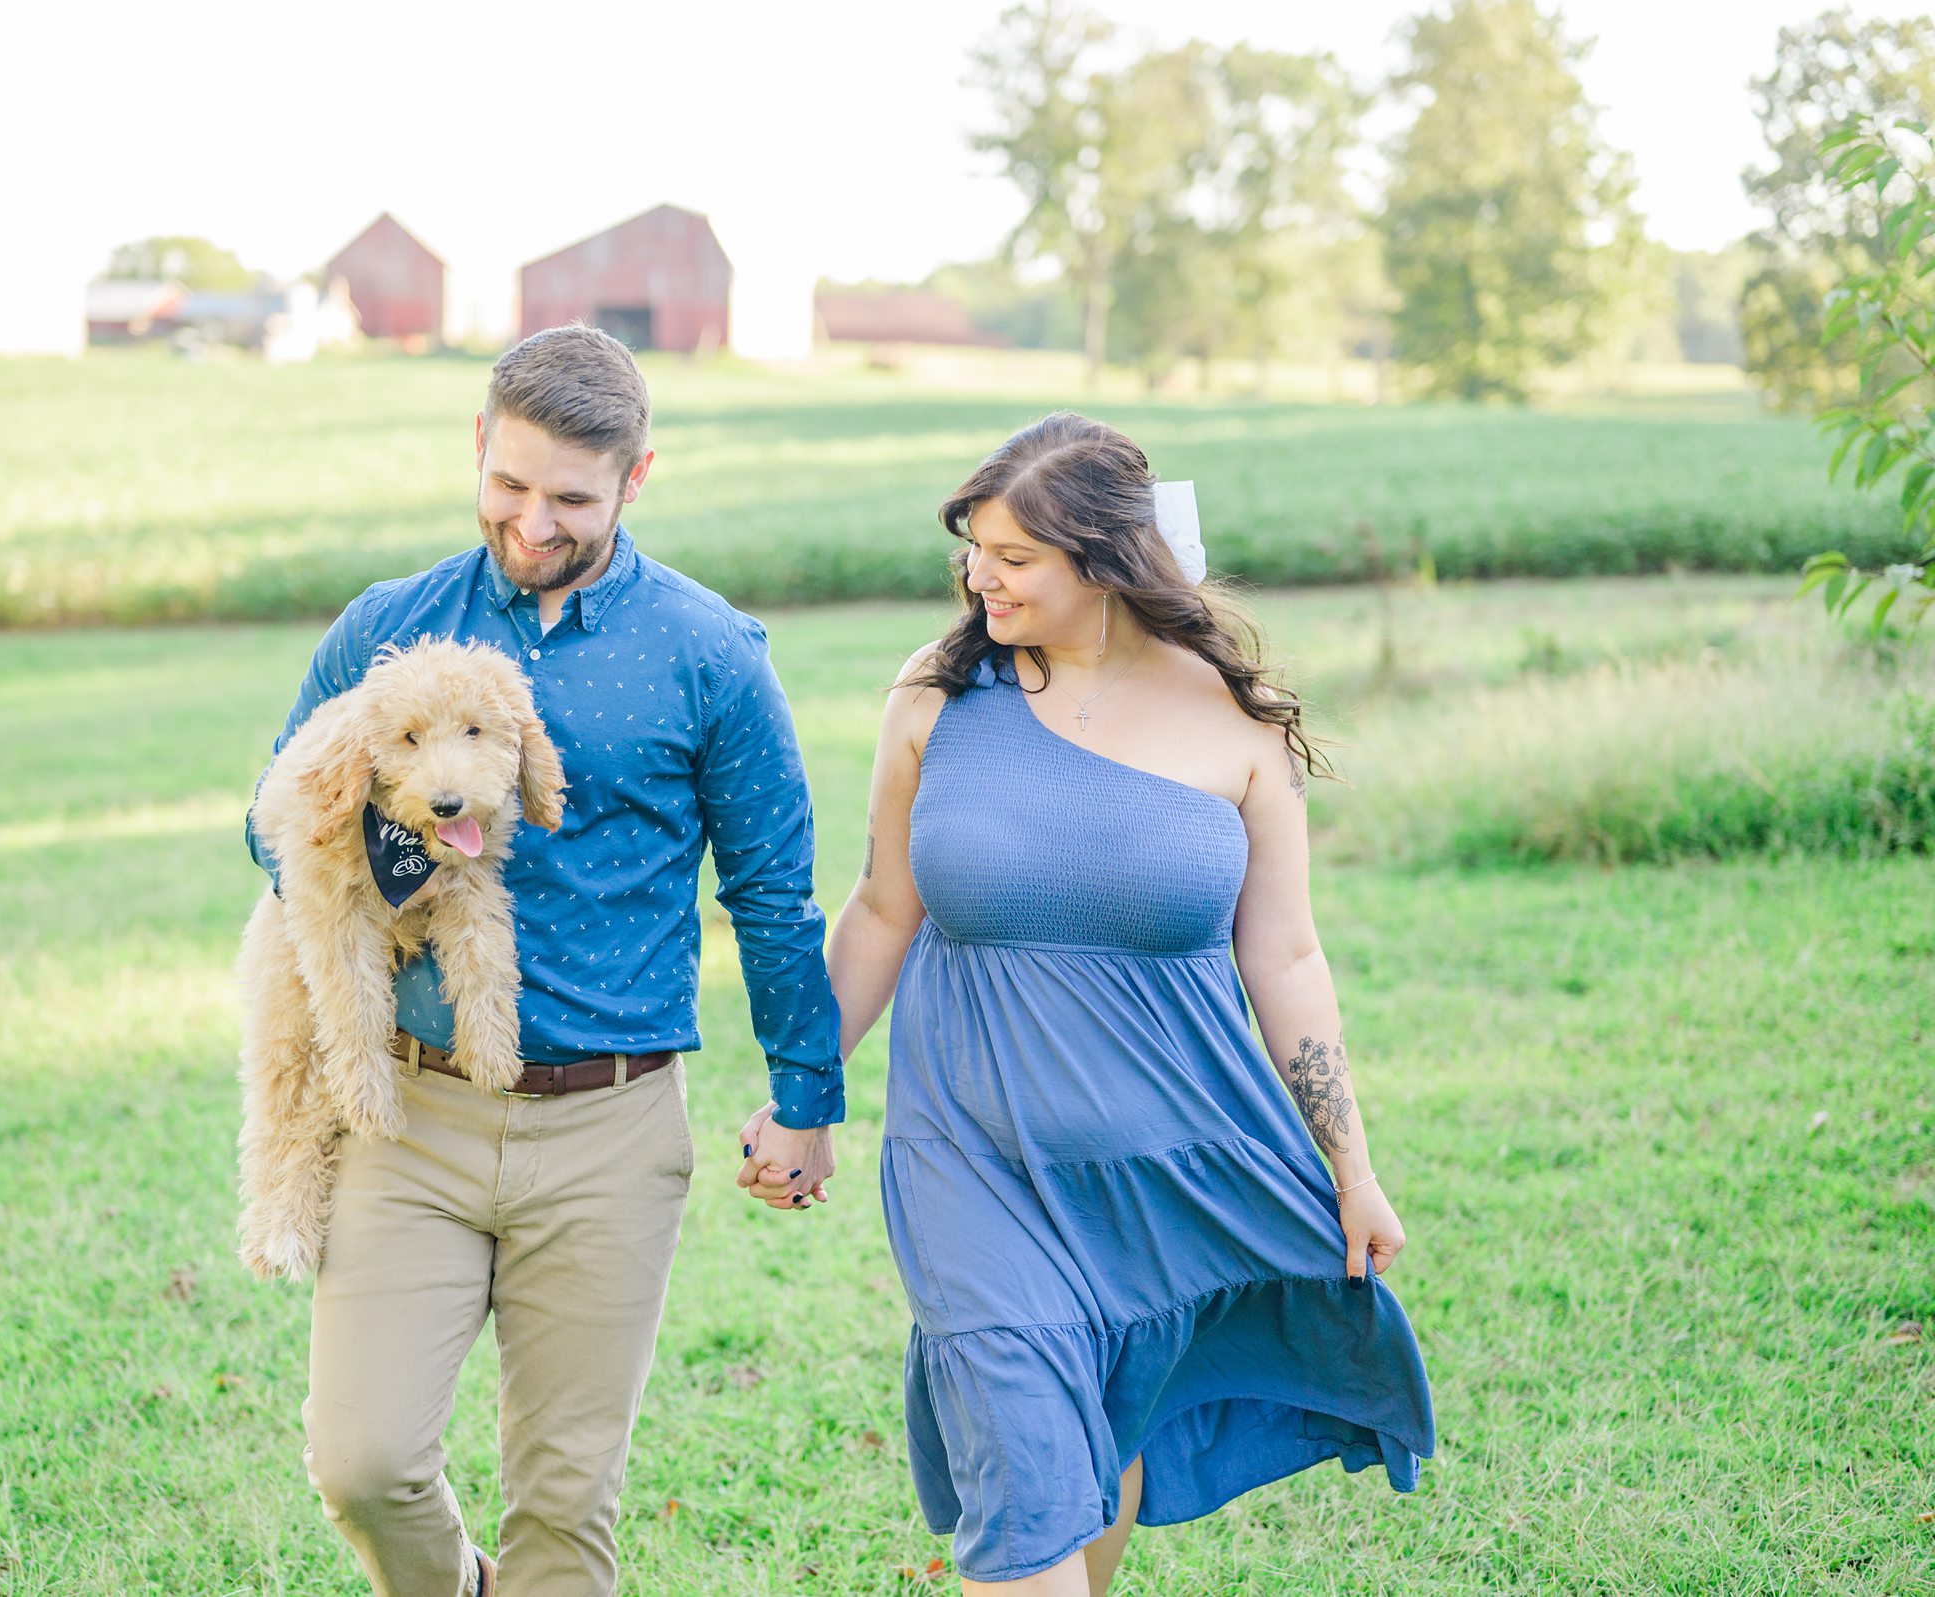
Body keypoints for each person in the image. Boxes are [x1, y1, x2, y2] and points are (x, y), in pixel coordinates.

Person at [743, 412, 1436, 1593]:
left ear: (1107, 561)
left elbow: (1287, 959)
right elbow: (879, 912)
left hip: (1171, 1163)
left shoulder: (1235, 720)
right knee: (1022, 1464)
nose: (980, 574)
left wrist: (1352, 1165)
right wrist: (802, 1098)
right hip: (972, 1162)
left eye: (1017, 557)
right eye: (976, 546)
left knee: (1103, 1435)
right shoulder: (936, 699)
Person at [246, 324, 841, 1597]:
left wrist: (806, 1101)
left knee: (565, 1506)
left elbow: (776, 894)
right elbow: (268, 818)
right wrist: (392, 843)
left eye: (570, 497)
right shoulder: (386, 629)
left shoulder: (709, 654)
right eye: (509, 485)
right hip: (410, 1113)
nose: (532, 522)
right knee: (363, 1460)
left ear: (636, 477)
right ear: (478, 443)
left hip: (613, 1125)